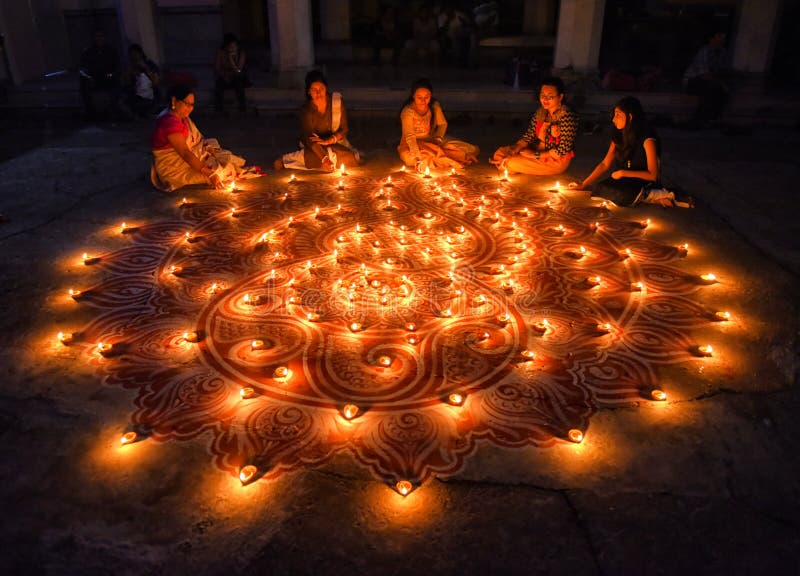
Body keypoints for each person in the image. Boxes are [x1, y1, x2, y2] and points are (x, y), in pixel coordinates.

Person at [150, 84, 261, 192]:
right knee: (219, 172)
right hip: (174, 168)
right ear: (174, 101)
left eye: (192, 105)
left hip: (187, 158)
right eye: (186, 104)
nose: (189, 109)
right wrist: (210, 174)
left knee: (222, 159)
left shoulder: (179, 117)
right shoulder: (169, 122)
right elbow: (185, 153)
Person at [569, 96, 660, 206]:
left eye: (618, 115)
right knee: (600, 188)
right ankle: (647, 197)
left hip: (642, 181)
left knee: (623, 195)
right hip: (624, 180)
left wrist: (623, 172)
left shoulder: (647, 139)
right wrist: (583, 184)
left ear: (630, 117)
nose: (613, 119)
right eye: (614, 115)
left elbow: (652, 175)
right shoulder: (618, 135)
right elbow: (604, 164)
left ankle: (654, 194)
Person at [274, 70, 360, 172]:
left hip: (335, 142)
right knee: (312, 157)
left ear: (326, 88)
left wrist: (329, 140)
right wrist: (325, 159)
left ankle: (327, 158)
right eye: (314, 90)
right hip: (315, 147)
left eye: (321, 89)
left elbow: (344, 129)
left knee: (351, 158)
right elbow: (310, 139)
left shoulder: (336, 102)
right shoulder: (306, 110)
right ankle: (286, 161)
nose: (318, 93)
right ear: (309, 91)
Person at [398, 77, 479, 172]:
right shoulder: (408, 112)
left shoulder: (434, 106)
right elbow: (410, 136)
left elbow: (443, 124)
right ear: (413, 96)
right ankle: (437, 160)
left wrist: (438, 138)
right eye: (419, 97)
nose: (423, 101)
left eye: (426, 97)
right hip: (411, 145)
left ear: (431, 95)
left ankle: (440, 157)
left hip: (430, 140)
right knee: (411, 158)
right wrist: (417, 158)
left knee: (462, 148)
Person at [683, 31, 730, 128]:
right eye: (718, 38)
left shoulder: (723, 53)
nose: (721, 41)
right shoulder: (704, 51)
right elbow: (703, 74)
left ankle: (711, 118)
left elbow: (723, 71)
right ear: (711, 39)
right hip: (693, 80)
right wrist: (720, 83)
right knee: (710, 88)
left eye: (723, 38)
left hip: (710, 81)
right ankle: (699, 118)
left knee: (721, 91)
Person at [79, 31, 121, 120]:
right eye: (96, 36)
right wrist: (88, 77)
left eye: (101, 36)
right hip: (94, 79)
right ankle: (91, 112)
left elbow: (117, 66)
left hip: (109, 78)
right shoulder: (88, 52)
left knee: (114, 87)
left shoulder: (111, 51)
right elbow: (82, 68)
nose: (99, 39)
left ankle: (113, 111)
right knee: (85, 86)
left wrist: (112, 74)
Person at [122, 44, 160, 117]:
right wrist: (129, 73)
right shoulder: (130, 67)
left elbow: (156, 82)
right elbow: (127, 83)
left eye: (136, 54)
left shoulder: (149, 64)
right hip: (135, 96)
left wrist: (146, 69)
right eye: (132, 55)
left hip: (150, 95)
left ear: (140, 54)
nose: (134, 57)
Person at [214, 33, 248, 113]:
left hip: (237, 76)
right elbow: (217, 69)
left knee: (239, 85)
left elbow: (238, 71)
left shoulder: (241, 53)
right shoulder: (221, 53)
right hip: (225, 76)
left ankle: (243, 109)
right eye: (230, 46)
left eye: (234, 46)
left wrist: (231, 59)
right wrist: (225, 75)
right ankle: (219, 110)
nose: (232, 48)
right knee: (218, 86)